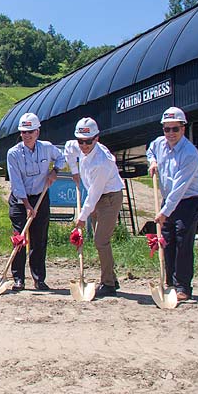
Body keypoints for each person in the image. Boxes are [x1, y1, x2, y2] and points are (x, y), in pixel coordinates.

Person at [146, 107, 198, 302]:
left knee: (182, 239)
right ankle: (169, 282)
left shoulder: (190, 154)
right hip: (168, 198)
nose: (170, 133)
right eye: (166, 129)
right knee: (166, 239)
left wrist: (164, 213)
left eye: (175, 129)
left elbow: (179, 188)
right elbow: (150, 150)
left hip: (188, 200)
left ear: (183, 129)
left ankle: (183, 287)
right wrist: (152, 162)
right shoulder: (159, 144)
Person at [64, 118, 125, 298]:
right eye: (80, 141)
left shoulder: (101, 162)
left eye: (88, 141)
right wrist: (74, 170)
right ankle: (112, 278)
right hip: (97, 198)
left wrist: (82, 217)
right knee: (100, 241)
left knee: (101, 240)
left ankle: (108, 284)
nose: (83, 145)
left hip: (110, 198)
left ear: (96, 139)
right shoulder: (77, 146)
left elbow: (94, 194)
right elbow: (68, 149)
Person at [6, 113, 65, 291]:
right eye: (24, 132)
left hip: (40, 196)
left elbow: (61, 158)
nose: (27, 135)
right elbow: (16, 182)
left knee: (39, 239)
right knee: (19, 238)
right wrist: (26, 205)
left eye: (30, 131)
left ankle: (39, 278)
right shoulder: (13, 153)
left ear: (37, 132)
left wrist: (55, 171)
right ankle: (18, 279)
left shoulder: (47, 148)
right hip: (20, 200)